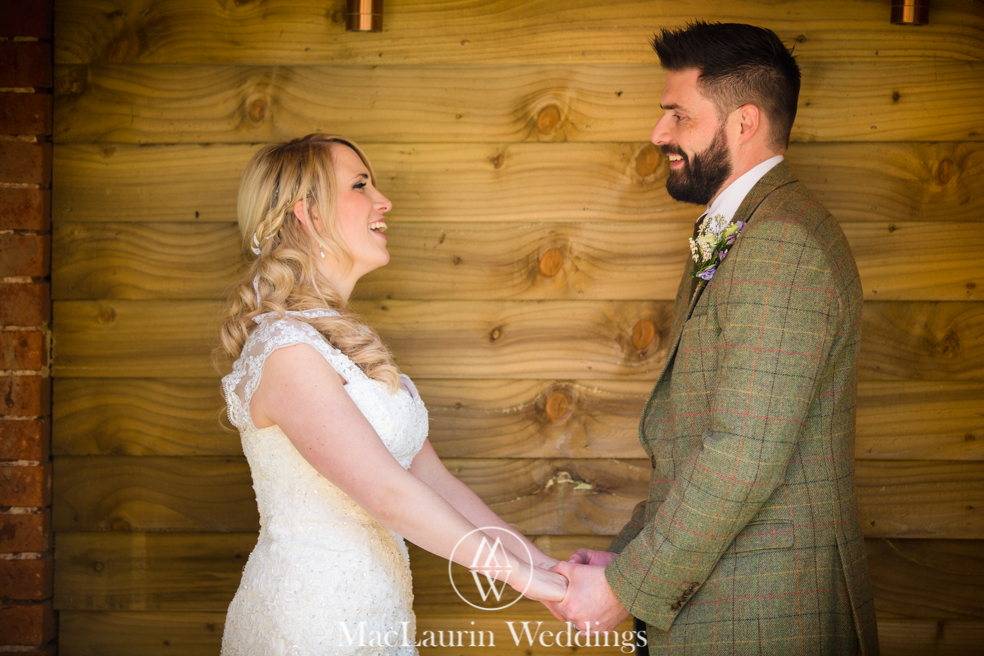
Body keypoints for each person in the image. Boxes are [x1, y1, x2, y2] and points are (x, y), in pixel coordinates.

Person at [545, 22, 880, 655]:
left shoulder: (781, 243)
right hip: (724, 594)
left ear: (744, 122)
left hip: (764, 611)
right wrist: (624, 557)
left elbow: (741, 455)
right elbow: (698, 439)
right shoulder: (747, 231)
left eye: (678, 115)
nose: (658, 133)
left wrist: (624, 590)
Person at [215, 134, 567, 655]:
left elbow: (432, 481)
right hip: (311, 626)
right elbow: (388, 495)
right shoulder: (285, 350)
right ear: (307, 215)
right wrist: (528, 583)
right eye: (361, 185)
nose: (385, 201)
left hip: (378, 619)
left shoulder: (338, 343)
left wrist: (544, 566)